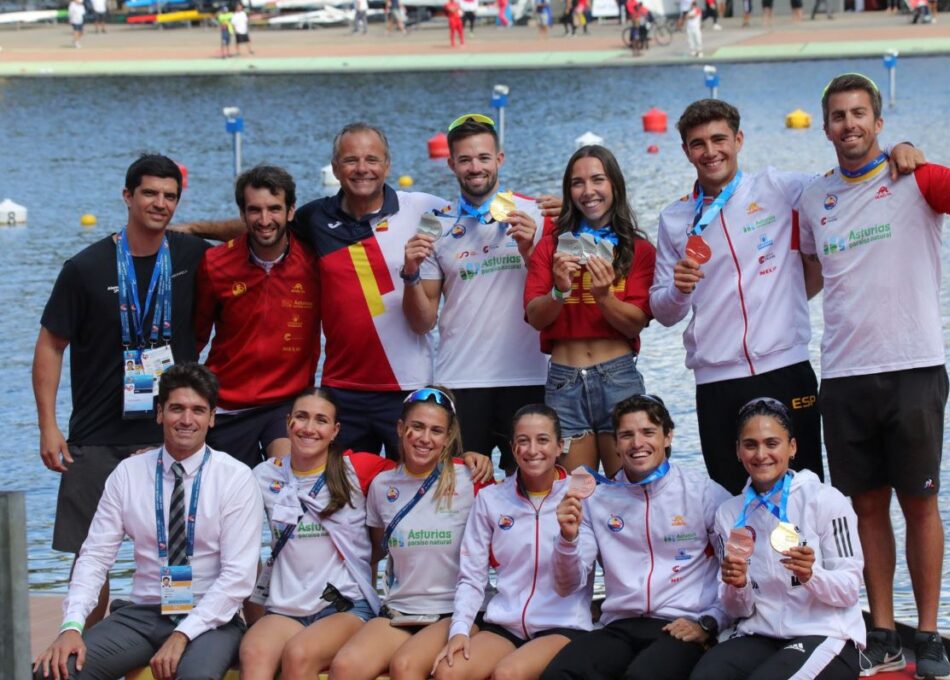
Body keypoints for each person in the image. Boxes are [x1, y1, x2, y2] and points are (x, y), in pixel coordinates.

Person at [798, 73, 950, 680]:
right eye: (839, 117)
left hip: (914, 368)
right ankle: (883, 631)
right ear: (826, 129)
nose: (850, 125)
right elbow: (806, 279)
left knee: (920, 505)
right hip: (843, 374)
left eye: (860, 114)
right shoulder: (812, 200)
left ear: (879, 121)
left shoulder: (917, 176)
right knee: (865, 509)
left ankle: (929, 635)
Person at [648, 99, 922, 495]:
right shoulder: (674, 219)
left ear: (739, 139)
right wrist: (678, 289)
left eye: (719, 139)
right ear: (685, 151)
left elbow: (851, 177)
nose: (710, 151)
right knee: (731, 498)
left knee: (805, 493)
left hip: (785, 368)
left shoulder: (779, 188)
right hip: (716, 379)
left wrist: (898, 147)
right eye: (698, 143)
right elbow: (663, 311)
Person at [175, 123, 450, 462]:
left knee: (414, 493)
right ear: (335, 168)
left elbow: (476, 213)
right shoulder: (316, 218)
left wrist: (531, 214)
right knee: (337, 501)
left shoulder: (425, 207)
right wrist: (192, 228)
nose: (362, 168)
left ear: (388, 165)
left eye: (371, 159)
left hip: (407, 386)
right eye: (351, 160)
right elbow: (267, 225)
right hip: (341, 391)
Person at [33, 154, 209, 628]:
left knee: (180, 549)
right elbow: (50, 346)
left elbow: (262, 228)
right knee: (92, 555)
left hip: (174, 431)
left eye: (170, 196)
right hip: (96, 433)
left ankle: (178, 647)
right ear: (127, 196)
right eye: (149, 193)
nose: (160, 203)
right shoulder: (85, 267)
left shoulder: (193, 255)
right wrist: (48, 427)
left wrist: (200, 226)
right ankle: (81, 651)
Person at [32, 363, 263, 680]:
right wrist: (72, 626)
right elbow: (96, 556)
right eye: (176, 408)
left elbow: (238, 576)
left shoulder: (236, 478)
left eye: (198, 410)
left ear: (211, 418)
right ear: (159, 413)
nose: (186, 419)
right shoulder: (128, 474)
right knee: (53, 673)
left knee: (195, 678)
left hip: (211, 618)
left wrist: (183, 634)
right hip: (143, 615)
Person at [540, 394, 730, 680]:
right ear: (615, 444)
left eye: (648, 432)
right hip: (620, 625)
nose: (637, 443)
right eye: (627, 435)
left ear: (668, 437)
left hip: (680, 624)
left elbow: (736, 570)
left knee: (642, 678)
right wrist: (567, 539)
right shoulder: (597, 498)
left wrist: (710, 622)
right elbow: (567, 585)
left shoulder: (702, 492)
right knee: (559, 674)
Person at [401, 114, 550, 476]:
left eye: (483, 157)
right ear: (451, 163)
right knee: (461, 494)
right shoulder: (436, 223)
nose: (475, 167)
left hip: (528, 376)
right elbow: (423, 321)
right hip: (462, 380)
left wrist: (533, 249)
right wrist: (409, 273)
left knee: (532, 491)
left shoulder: (537, 214)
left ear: (499, 159)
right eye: (465, 159)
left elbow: (557, 293)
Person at [689, 398, 864, 680]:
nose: (761, 454)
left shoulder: (826, 500)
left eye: (772, 443)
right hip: (760, 633)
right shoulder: (729, 514)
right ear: (737, 451)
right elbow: (737, 610)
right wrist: (738, 585)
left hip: (824, 633)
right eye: (750, 445)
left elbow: (849, 591)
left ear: (791, 447)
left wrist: (811, 575)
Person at [329, 387, 488, 680]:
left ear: (448, 437)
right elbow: (378, 549)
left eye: (436, 430)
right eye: (417, 427)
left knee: (405, 665)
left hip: (450, 612)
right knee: (345, 667)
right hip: (399, 611)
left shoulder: (470, 479)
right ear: (401, 429)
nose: (425, 438)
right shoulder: (381, 485)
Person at [240, 388, 396, 680]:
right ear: (288, 423)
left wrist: (471, 461)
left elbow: (418, 471)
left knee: (299, 654)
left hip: (344, 606)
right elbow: (215, 480)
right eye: (301, 417)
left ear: (335, 430)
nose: (309, 428)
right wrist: (157, 453)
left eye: (321, 420)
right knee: (252, 652)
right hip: (285, 608)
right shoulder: (262, 475)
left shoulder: (358, 468)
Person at [432, 404, 592, 680]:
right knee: (448, 672)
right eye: (523, 441)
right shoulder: (491, 499)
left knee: (508, 674)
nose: (532, 450)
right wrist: (460, 630)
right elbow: (472, 576)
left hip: (561, 624)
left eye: (542, 440)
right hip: (506, 624)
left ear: (560, 446)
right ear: (512, 447)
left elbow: (570, 584)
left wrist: (568, 539)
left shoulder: (582, 496)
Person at [524, 146, 654, 475]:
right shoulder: (551, 246)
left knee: (629, 489)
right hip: (564, 383)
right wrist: (559, 290)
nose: (588, 191)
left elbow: (635, 324)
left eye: (598, 179)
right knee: (575, 494)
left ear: (615, 186)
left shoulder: (638, 249)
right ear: (569, 192)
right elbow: (535, 317)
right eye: (577, 183)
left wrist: (604, 296)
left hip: (619, 378)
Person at [194, 165, 320, 468]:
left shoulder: (315, 261)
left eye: (274, 209)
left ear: (291, 211)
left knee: (287, 489)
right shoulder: (215, 263)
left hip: (285, 405)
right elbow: (195, 338)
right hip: (226, 406)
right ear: (242, 214)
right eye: (255, 210)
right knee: (228, 508)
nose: (265, 220)